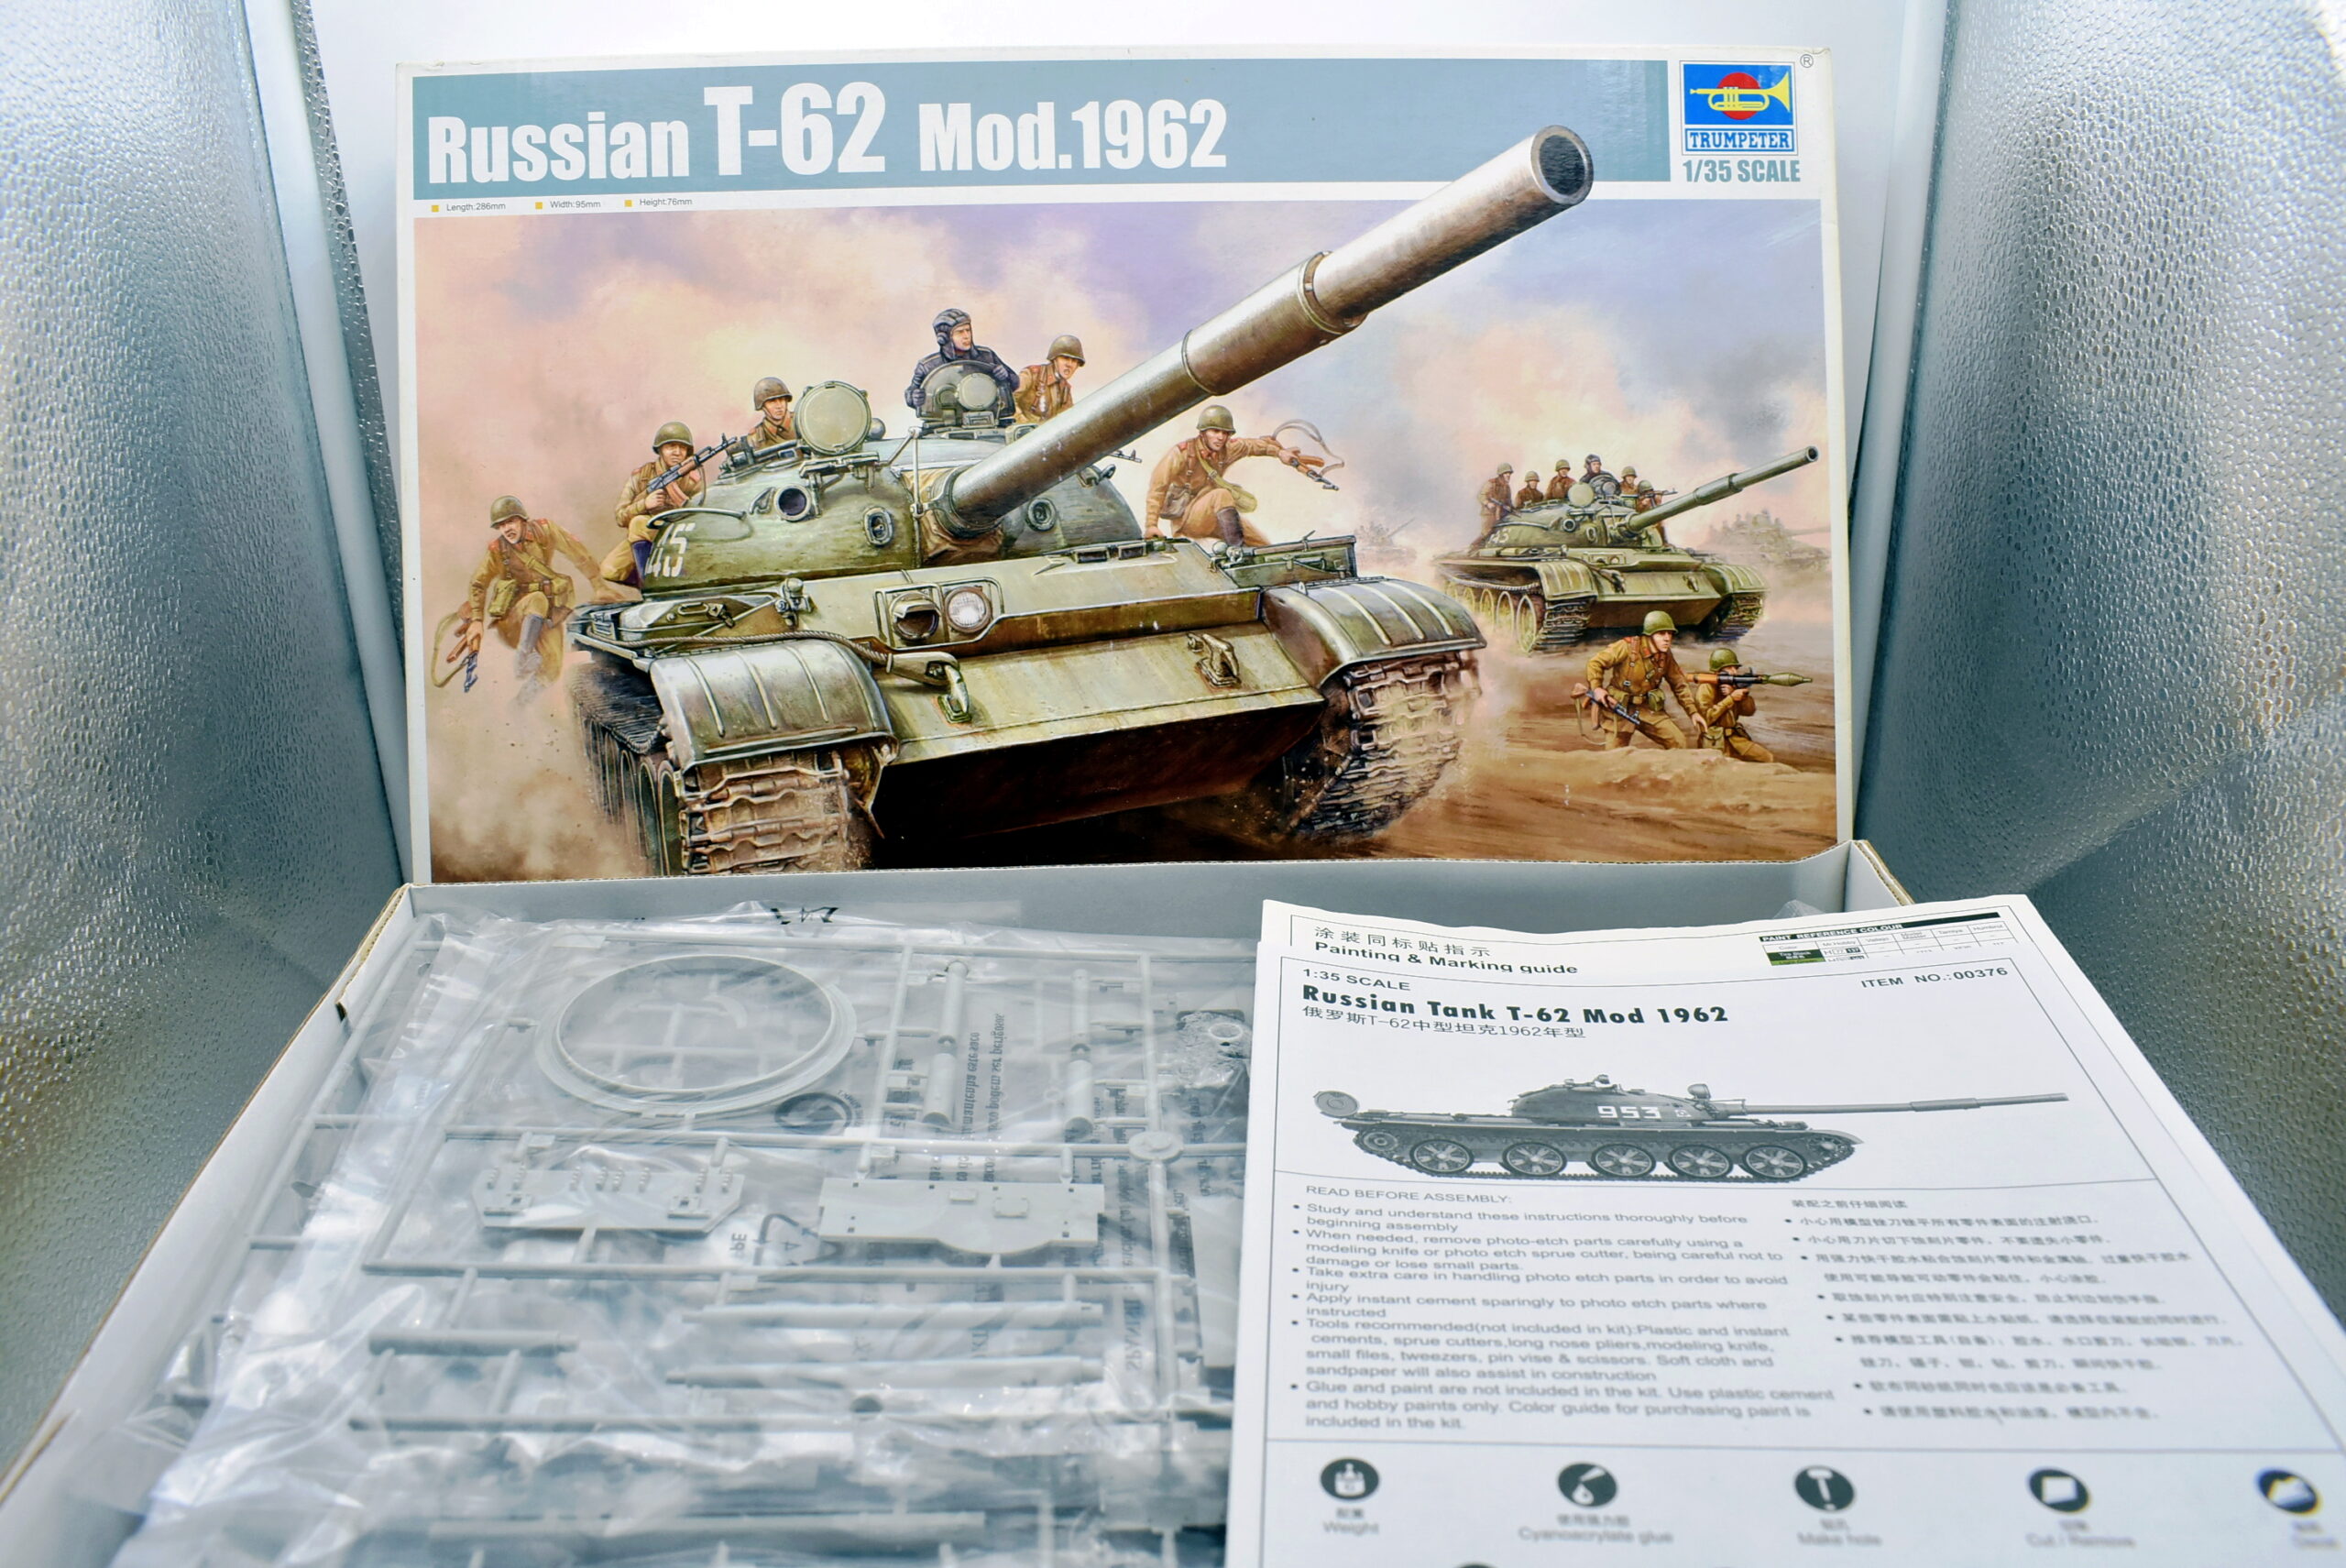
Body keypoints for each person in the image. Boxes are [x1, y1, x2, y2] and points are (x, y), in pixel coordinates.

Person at [449, 495, 606, 686]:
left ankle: (520, 703)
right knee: (537, 599)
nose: (507, 529)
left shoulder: (544, 531)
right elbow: (478, 583)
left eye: (511, 522)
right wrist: (477, 620)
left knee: (552, 668)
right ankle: (522, 660)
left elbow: (578, 553)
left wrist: (598, 584)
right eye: (501, 525)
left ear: (522, 520)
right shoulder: (498, 549)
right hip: (513, 619)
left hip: (548, 613)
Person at [1146, 405, 1322, 548]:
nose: (1220, 437)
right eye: (1215, 431)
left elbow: (1251, 446)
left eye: (1225, 433)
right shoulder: (1181, 453)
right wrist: (1151, 525)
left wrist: (1279, 453)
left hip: (1216, 515)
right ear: (1203, 432)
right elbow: (1157, 488)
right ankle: (1237, 551)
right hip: (1189, 521)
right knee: (1222, 494)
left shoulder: (1227, 449)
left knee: (1261, 545)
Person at [601, 421, 705, 587]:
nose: (677, 452)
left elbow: (701, 517)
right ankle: (651, 582)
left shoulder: (692, 480)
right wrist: (645, 504)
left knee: (638, 524)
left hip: (678, 533)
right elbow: (620, 516)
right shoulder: (641, 476)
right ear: (660, 449)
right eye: (671, 446)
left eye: (682, 447)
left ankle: (652, 587)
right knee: (610, 569)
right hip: (645, 534)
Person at [1577, 609, 1698, 749]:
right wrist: (1597, 688)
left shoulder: (1665, 656)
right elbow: (1595, 663)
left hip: (1648, 709)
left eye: (1670, 633)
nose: (1667, 638)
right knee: (1615, 754)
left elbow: (1679, 683)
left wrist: (1693, 712)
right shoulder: (1627, 647)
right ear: (1649, 635)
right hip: (1619, 708)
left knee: (1678, 742)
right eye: (1661, 633)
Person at [905, 306, 1019, 413]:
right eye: (960, 332)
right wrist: (914, 397)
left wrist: (1005, 375)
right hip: (946, 420)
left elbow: (1015, 382)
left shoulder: (987, 356)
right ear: (944, 338)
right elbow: (912, 392)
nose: (966, 336)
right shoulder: (928, 366)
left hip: (987, 414)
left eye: (968, 330)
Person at [1692, 646, 1775, 762]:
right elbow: (1706, 718)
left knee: (1766, 757)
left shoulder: (1732, 686)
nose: (1734, 672)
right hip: (1715, 740)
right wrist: (1730, 699)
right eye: (1730, 668)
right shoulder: (1706, 687)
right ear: (1719, 670)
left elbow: (1749, 711)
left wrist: (1741, 697)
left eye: (1735, 668)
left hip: (1734, 738)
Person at [1013, 334, 1084, 424]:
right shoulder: (1032, 374)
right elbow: (1010, 400)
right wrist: (1025, 424)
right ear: (1054, 359)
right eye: (1065, 358)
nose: (1069, 364)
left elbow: (1067, 419)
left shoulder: (1065, 389)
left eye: (1074, 361)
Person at [750, 378, 795, 447]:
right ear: (762, 406)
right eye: (772, 401)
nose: (779, 406)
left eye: (782, 400)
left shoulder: (802, 422)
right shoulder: (756, 437)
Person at [1479, 462, 1518, 530]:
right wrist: (1488, 503)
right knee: (1487, 533)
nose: (1508, 475)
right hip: (1489, 514)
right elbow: (1481, 496)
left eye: (1509, 473)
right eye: (1506, 473)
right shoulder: (1491, 483)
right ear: (1501, 474)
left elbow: (1509, 501)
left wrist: (1513, 509)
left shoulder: (1507, 487)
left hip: (1501, 515)